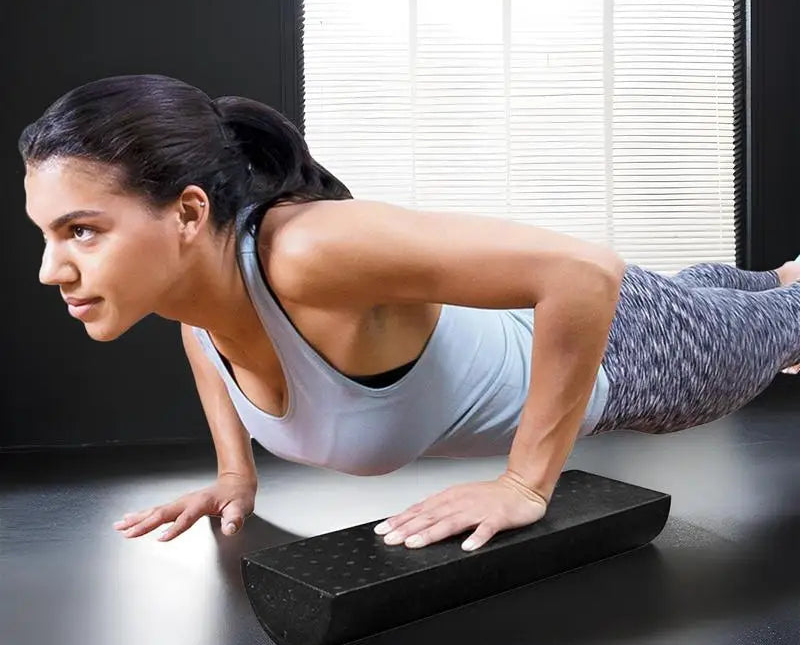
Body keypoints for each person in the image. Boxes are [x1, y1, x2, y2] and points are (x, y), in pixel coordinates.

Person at [20, 74, 800, 554]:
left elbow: (583, 272)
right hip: (636, 315)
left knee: (783, 328)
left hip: (639, 358)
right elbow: (205, 338)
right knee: (741, 290)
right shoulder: (193, 292)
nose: (53, 269)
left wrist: (526, 483)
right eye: (47, 234)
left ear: (188, 214)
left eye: (81, 230)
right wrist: (234, 475)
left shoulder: (308, 252)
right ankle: (774, 278)